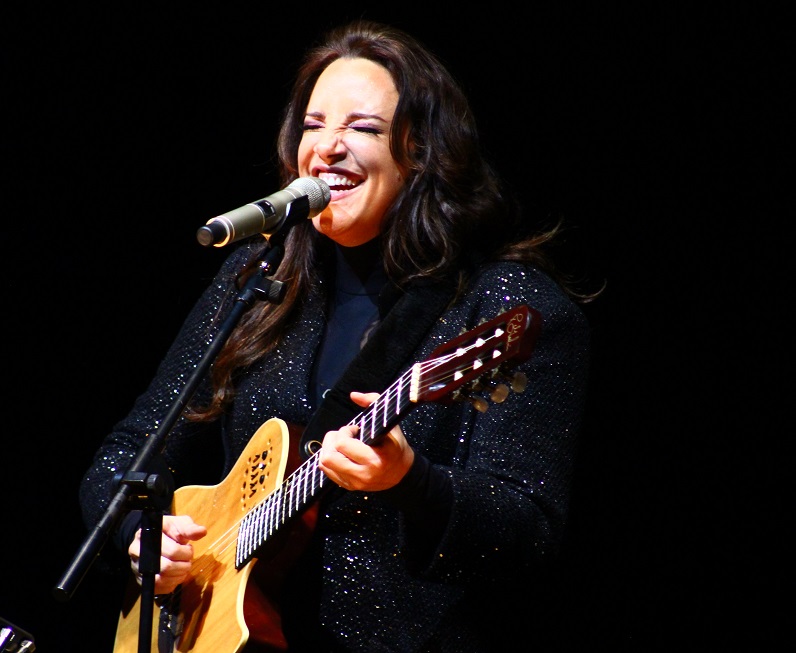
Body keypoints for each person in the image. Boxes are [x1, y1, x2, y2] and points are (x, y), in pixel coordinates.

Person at [79, 18, 597, 653]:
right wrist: (140, 533)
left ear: (422, 153)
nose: (327, 148)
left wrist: (411, 481)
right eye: (314, 125)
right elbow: (131, 451)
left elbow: (529, 533)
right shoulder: (261, 278)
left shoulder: (508, 305)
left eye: (364, 128)